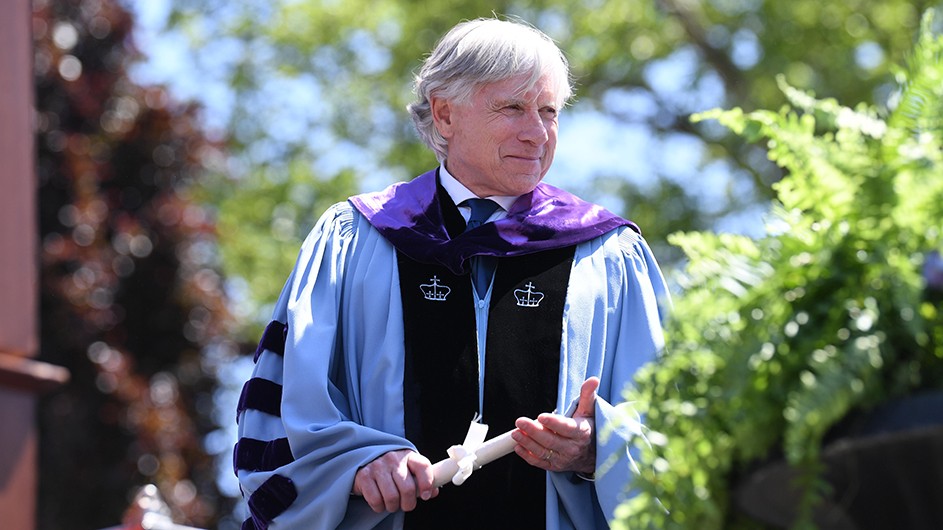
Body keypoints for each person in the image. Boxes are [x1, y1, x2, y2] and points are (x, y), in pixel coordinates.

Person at [234, 17, 669, 530]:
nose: (537, 133)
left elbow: (673, 429)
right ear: (444, 114)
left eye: (549, 111)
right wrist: (356, 463)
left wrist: (599, 449)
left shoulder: (608, 255)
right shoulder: (354, 241)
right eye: (513, 107)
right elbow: (285, 408)